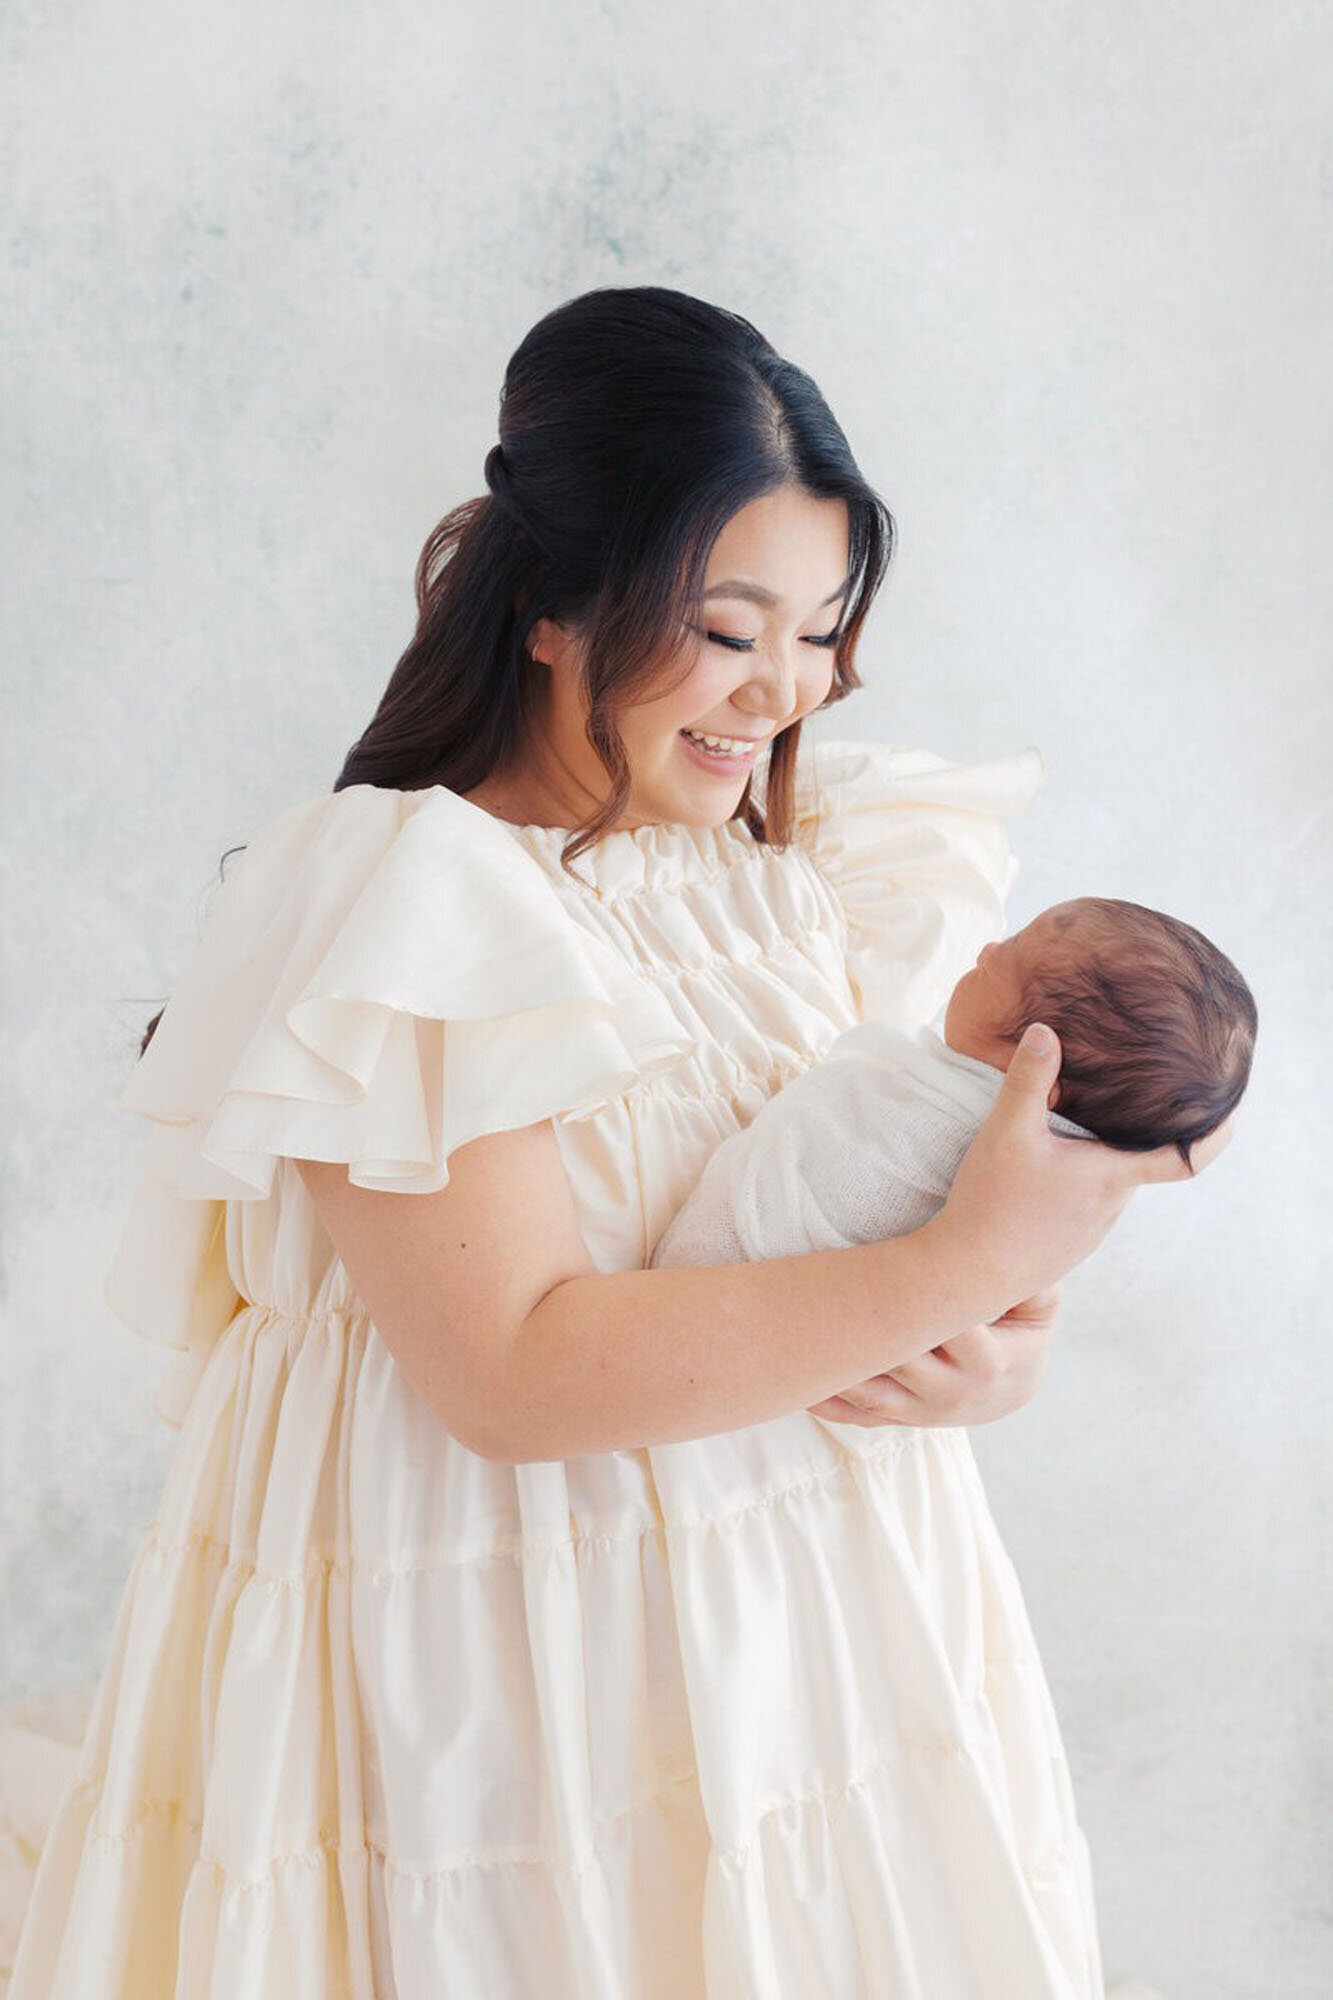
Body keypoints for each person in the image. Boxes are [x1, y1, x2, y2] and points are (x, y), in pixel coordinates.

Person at [5, 287, 1233, 2000]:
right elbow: (509, 1374)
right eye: (727, 631)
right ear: (554, 611)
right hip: (511, 1652)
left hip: (796, 1635)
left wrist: (987, 1343)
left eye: (816, 631)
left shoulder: (789, 861)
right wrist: (961, 1266)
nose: (781, 691)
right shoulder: (411, 907)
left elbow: (855, 1208)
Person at [651, 893, 1256, 1272]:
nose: (988, 947)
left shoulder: (978, 1143)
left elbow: (857, 1081)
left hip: (732, 1268)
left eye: (994, 966)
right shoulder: (1067, 1190)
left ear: (1030, 1063)